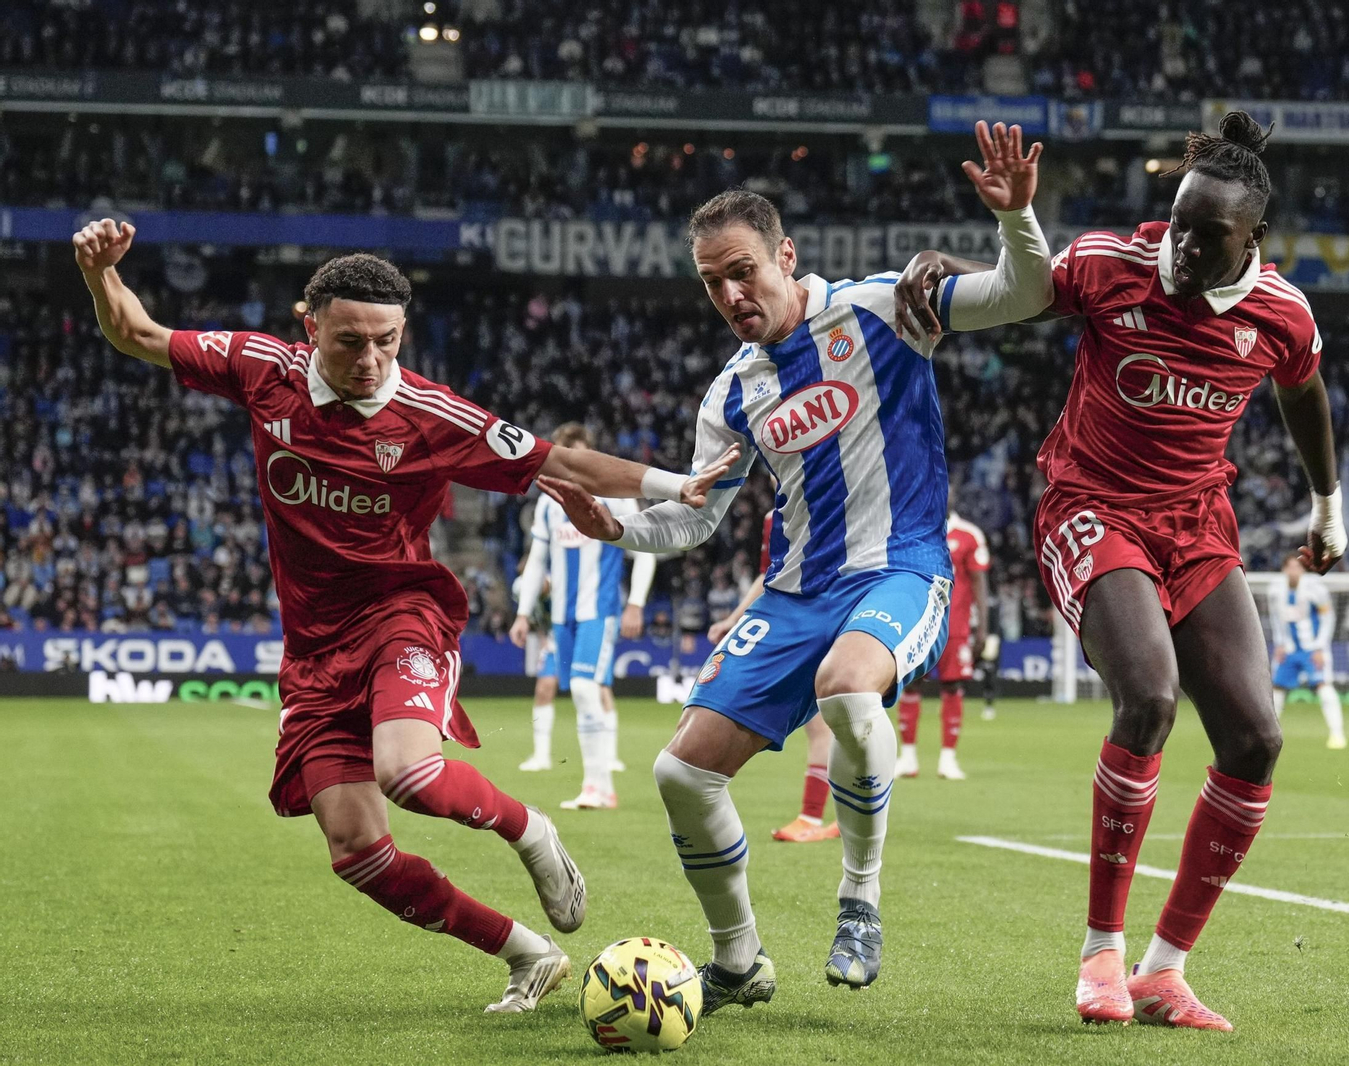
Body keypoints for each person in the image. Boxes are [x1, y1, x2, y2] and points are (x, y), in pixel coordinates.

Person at [70, 219, 730, 1013]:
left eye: (387, 340)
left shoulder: (431, 414)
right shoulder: (259, 369)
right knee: (356, 851)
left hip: (402, 615)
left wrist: (672, 485)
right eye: (350, 341)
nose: (372, 360)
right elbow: (137, 332)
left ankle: (530, 831)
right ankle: (528, 954)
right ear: (309, 326)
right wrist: (101, 273)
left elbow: (558, 458)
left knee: (409, 771)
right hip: (314, 649)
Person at [538, 121, 1054, 1013]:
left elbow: (1025, 293)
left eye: (743, 270)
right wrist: (615, 527)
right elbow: (693, 524)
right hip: (797, 589)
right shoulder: (734, 392)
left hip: (901, 566)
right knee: (679, 774)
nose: (731, 293)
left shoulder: (886, 305)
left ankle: (859, 899)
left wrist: (1018, 219)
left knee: (849, 690)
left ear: (785, 253)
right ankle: (737, 961)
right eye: (712, 282)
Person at [893, 112, 1346, 1031]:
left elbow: (1305, 393)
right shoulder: (1112, 265)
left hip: (1197, 527)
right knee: (1148, 699)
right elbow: (1017, 291)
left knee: (1256, 739)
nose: (1180, 246)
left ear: (1253, 238)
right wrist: (951, 263)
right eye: (1177, 222)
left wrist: (1326, 505)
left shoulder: (1282, 315)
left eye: (1207, 235)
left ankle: (1163, 970)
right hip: (1090, 508)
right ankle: (1101, 951)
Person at [508, 422, 657, 809]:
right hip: (561, 615)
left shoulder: (615, 496)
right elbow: (538, 559)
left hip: (599, 610)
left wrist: (636, 603)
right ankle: (597, 785)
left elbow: (644, 551)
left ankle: (600, 787)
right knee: (578, 690)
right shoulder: (547, 502)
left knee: (586, 688)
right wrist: (523, 613)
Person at [706, 508, 840, 843]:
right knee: (834, 721)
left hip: (835, 614)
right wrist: (734, 619)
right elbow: (769, 575)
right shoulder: (775, 515)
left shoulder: (836, 498)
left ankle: (816, 816)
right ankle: (837, 815)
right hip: (799, 621)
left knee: (830, 720)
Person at [895, 493, 990, 780]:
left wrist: (983, 627)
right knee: (910, 687)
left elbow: (979, 582)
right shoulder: (912, 528)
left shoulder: (969, 535)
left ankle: (948, 759)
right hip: (919, 625)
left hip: (956, 628)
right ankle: (908, 758)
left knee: (952, 687)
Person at [1267, 552, 1346, 749]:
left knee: (1324, 687)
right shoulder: (1275, 590)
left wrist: (1320, 646)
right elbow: (1275, 619)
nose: (1294, 571)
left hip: (1312, 649)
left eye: (1297, 567)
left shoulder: (1315, 588)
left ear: (1303, 569)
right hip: (1288, 649)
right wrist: (1279, 644)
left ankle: (1337, 734)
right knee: (1276, 689)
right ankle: (1269, 735)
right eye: (1290, 567)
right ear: (1284, 569)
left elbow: (1328, 618)